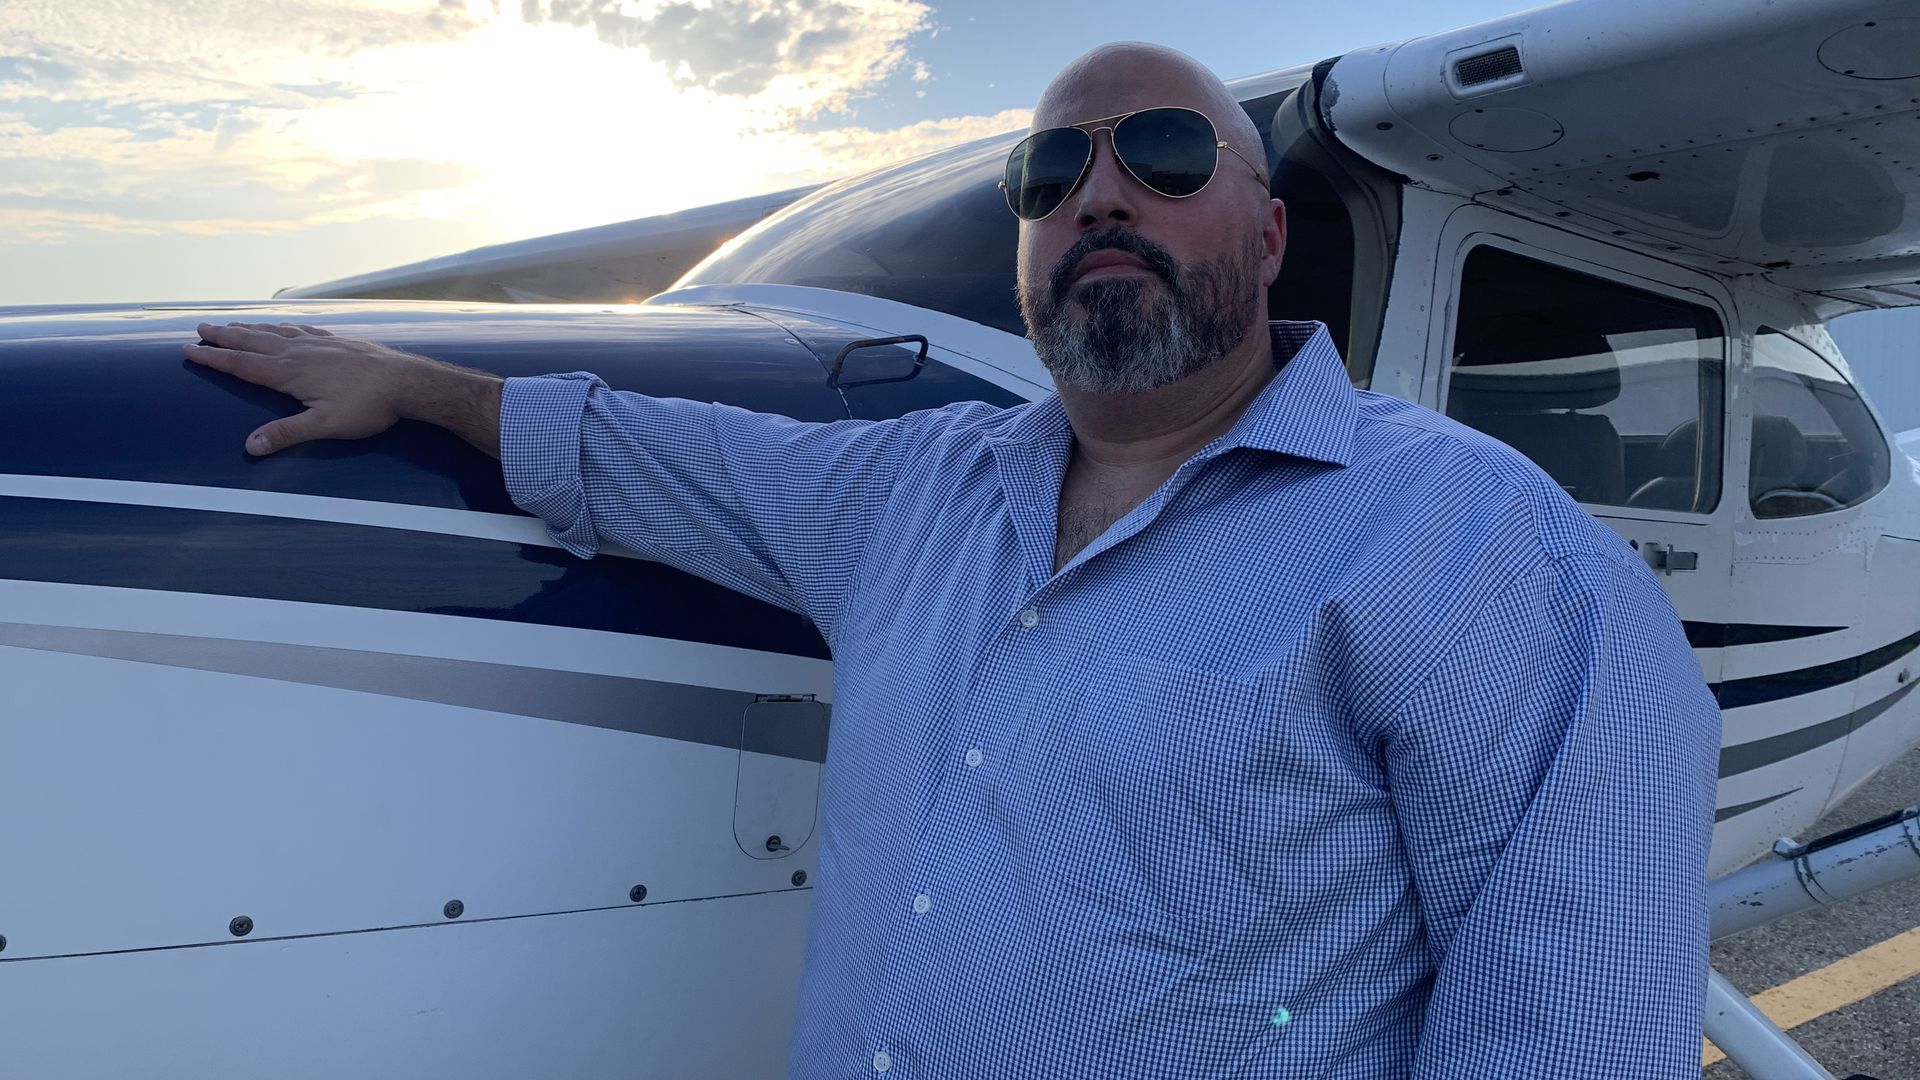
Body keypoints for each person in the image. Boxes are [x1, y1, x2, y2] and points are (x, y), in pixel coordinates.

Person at [184, 41, 1720, 1080]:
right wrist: (421, 387)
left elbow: (1568, 1038)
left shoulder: (1488, 551)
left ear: (1266, 239)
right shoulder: (914, 492)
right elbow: (668, 452)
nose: (1098, 193)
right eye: (1049, 175)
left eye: (1163, 155)